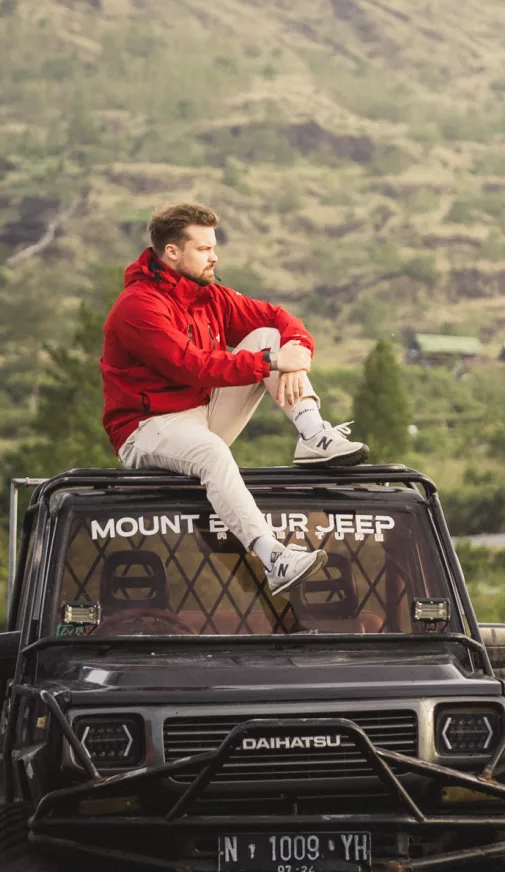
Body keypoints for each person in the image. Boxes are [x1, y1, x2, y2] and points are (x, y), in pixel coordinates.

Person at [101, 202, 366, 597]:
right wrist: (274, 360)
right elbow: (191, 366)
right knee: (214, 450)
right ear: (172, 253)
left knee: (268, 336)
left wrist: (292, 353)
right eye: (204, 249)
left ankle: (313, 435)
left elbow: (277, 318)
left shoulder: (209, 295)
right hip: (147, 428)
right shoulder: (138, 306)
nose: (215, 256)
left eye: (213, 247)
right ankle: (273, 557)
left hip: (201, 413)